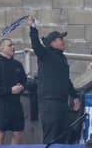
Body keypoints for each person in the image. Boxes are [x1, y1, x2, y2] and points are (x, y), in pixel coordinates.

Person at [28, 16, 80, 144]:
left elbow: (66, 81)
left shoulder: (62, 58)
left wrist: (75, 96)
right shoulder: (46, 54)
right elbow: (36, 45)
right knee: (51, 135)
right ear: (52, 43)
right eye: (60, 39)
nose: (63, 41)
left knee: (62, 134)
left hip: (62, 102)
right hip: (49, 102)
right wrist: (33, 28)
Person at [0, 38, 26, 145]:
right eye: (10, 45)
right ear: (2, 48)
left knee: (18, 134)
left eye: (13, 45)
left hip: (16, 104)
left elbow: (24, 81)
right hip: (1, 105)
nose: (13, 47)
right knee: (0, 134)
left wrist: (21, 87)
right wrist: (10, 90)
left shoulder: (18, 64)